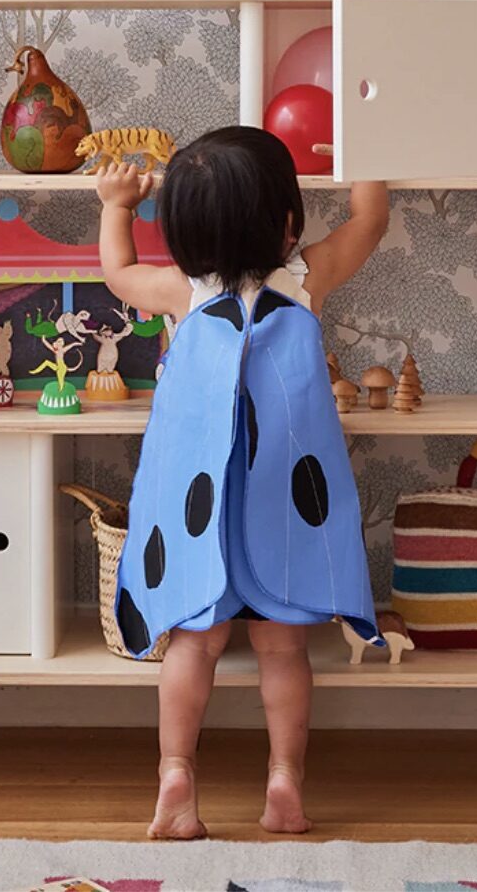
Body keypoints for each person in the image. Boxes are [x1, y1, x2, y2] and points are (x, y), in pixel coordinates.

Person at [96, 127, 389, 840]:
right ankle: (284, 780)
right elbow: (370, 221)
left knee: (193, 645)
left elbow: (116, 273)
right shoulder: (305, 277)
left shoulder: (179, 290)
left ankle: (176, 772)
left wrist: (114, 204)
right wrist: (363, 155)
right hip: (280, 509)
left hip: (202, 513)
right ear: (289, 223)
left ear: (183, 235)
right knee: (283, 649)